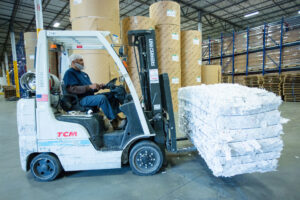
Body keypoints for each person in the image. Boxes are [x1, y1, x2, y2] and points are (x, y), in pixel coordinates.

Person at [63, 54, 125, 130]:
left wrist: (99, 87)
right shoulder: (69, 73)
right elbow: (72, 89)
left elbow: (90, 88)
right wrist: (89, 87)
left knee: (111, 95)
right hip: (80, 100)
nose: (83, 62)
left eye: (82, 60)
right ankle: (114, 122)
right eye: (80, 60)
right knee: (101, 98)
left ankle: (117, 117)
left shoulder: (84, 74)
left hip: (89, 97)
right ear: (73, 62)